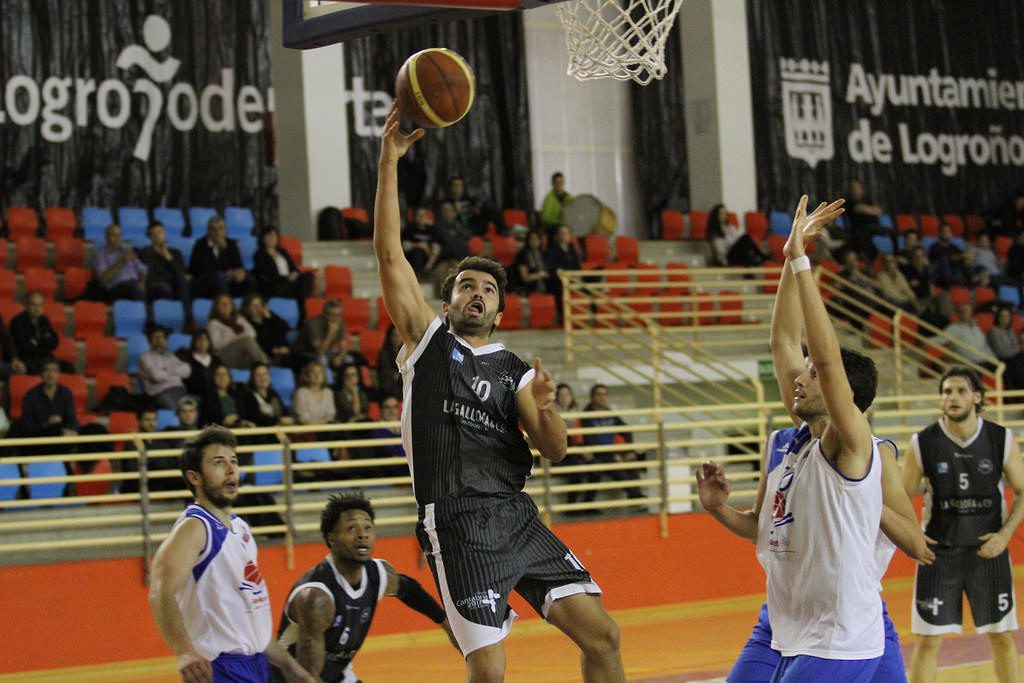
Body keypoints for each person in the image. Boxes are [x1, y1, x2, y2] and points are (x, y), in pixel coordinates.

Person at [373, 103, 624, 682]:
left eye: (488, 288)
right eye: (466, 286)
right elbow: (389, 253)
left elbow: (556, 450)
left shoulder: (517, 370)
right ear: (447, 303)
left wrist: (546, 410)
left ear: (501, 310)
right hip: (457, 521)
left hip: (515, 514)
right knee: (489, 672)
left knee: (604, 636)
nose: (477, 293)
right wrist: (389, 161)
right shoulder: (427, 342)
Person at [697, 196, 927, 680]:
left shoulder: (862, 449)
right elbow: (783, 342)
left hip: (846, 620)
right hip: (786, 617)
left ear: (846, 396)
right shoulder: (789, 443)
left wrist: (803, 261)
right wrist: (788, 257)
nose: (799, 378)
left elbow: (915, 543)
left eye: (815, 377)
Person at [148, 425, 314, 683]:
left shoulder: (240, 528)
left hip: (258, 664)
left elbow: (250, 623)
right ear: (195, 477)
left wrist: (290, 667)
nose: (230, 469)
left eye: (233, 461)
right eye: (218, 463)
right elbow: (160, 591)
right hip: (220, 669)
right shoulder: (195, 527)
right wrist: (185, 652)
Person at [901, 366, 1024, 683]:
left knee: (1002, 637)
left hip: (989, 554)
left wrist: (1005, 535)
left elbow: (1023, 491)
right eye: (946, 391)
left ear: (977, 397)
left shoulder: (1001, 438)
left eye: (960, 391)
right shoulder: (923, 443)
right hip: (939, 556)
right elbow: (900, 497)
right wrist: (913, 535)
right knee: (928, 641)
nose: (952, 397)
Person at [272, 491, 455, 682]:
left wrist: (446, 624)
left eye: (367, 528)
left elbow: (410, 590)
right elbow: (307, 676)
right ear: (331, 539)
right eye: (351, 529)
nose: (362, 535)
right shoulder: (317, 599)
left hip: (337, 674)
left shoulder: (378, 574)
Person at [577, 384, 646, 510]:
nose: (602, 398)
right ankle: (637, 496)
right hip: (598, 455)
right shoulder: (586, 416)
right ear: (592, 397)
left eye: (604, 394)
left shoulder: (610, 414)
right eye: (598, 394)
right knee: (616, 468)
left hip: (611, 453)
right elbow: (588, 441)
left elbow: (626, 430)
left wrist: (629, 450)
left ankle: (635, 499)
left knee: (633, 461)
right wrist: (614, 455)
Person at [251, 227, 313, 313]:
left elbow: (294, 268)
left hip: (290, 282)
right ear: (263, 238)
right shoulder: (259, 255)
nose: (272, 238)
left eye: (274, 236)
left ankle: (303, 304)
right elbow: (267, 275)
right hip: (276, 284)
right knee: (300, 289)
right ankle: (303, 309)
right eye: (269, 235)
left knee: (308, 276)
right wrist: (286, 278)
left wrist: (295, 274)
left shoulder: (282, 252)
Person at [189, 215, 253, 298]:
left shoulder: (231, 244)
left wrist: (240, 272)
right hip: (206, 283)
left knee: (248, 278)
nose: (217, 233)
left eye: (221, 228)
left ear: (226, 230)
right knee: (219, 277)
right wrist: (227, 273)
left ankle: (247, 307)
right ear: (209, 231)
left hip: (227, 280)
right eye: (213, 229)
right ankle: (224, 306)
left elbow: (238, 265)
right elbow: (202, 269)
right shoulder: (200, 245)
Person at [140, 221, 192, 322]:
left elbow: (181, 273)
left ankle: (188, 319)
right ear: (150, 237)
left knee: (181, 280)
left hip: (174, 285)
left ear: (164, 233)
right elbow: (149, 275)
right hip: (156, 285)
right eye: (153, 234)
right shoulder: (146, 253)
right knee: (163, 287)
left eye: (159, 232)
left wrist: (168, 257)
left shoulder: (175, 253)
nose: (157, 236)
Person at [208, 294, 269, 370]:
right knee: (246, 341)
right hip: (224, 357)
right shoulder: (214, 323)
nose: (226, 306)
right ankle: (266, 366)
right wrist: (233, 339)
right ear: (216, 307)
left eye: (228, 303)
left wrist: (239, 338)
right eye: (222, 304)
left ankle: (263, 367)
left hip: (241, 356)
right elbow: (215, 344)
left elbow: (252, 333)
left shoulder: (239, 319)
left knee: (253, 356)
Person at [138, 324, 192, 411]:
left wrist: (166, 370)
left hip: (180, 390)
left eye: (162, 337)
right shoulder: (145, 358)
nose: (159, 340)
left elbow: (187, 371)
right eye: (156, 337)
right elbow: (157, 377)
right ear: (150, 341)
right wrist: (175, 372)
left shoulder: (171, 356)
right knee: (179, 411)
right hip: (160, 393)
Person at [9, 291, 60, 374]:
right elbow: (26, 347)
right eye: (33, 305)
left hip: (45, 359)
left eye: (40, 305)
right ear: (26, 305)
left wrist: (37, 342)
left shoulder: (44, 319)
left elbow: (55, 342)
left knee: (68, 367)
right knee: (43, 370)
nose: (37, 309)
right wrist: (44, 343)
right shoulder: (17, 321)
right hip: (27, 360)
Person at [94, 223, 147, 301]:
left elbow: (143, 270)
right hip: (116, 288)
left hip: (135, 284)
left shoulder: (127, 250)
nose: (118, 238)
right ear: (106, 237)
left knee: (160, 289)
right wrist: (122, 261)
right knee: (135, 289)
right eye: (114, 235)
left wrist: (142, 282)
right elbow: (103, 280)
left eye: (119, 235)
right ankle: (142, 311)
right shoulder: (101, 255)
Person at [292, 299, 346, 373]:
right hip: (306, 353)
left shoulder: (339, 321)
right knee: (323, 360)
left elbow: (343, 344)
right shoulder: (314, 324)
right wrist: (330, 333)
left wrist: (340, 356)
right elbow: (320, 352)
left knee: (349, 359)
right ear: (324, 314)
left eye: (338, 315)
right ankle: (326, 383)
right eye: (332, 315)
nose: (335, 318)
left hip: (327, 351)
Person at [940, 303, 997, 370]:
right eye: (961, 311)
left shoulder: (976, 327)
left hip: (987, 362)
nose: (964, 313)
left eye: (966, 310)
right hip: (972, 365)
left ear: (971, 312)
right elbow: (938, 340)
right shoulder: (953, 329)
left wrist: (995, 360)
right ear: (958, 314)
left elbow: (985, 346)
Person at [238, 362, 294, 429]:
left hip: (279, 430)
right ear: (252, 378)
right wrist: (279, 420)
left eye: (265, 374)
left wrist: (289, 419)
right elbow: (256, 419)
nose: (263, 378)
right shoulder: (248, 396)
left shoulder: (273, 393)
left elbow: (285, 413)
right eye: (258, 375)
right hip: (261, 434)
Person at [242, 293, 292, 367]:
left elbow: (286, 328)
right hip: (266, 356)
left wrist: (270, 318)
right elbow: (255, 345)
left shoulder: (270, 316)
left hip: (284, 351)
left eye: (259, 304)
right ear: (247, 309)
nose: (258, 308)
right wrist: (274, 350)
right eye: (254, 305)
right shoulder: (246, 323)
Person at [202, 362, 253, 429]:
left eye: (224, 374)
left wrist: (242, 421)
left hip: (239, 430)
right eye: (218, 374)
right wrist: (223, 421)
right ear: (213, 377)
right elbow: (206, 422)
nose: (222, 377)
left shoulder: (237, 395)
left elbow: (244, 415)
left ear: (229, 377)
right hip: (219, 432)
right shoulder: (208, 398)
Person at [292, 361, 338, 428]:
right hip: (306, 430)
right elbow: (303, 419)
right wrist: (318, 425)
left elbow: (330, 416)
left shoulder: (328, 392)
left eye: (320, 372)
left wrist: (320, 426)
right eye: (313, 372)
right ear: (307, 375)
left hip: (325, 429)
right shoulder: (301, 392)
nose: (317, 375)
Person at [987, 307, 1024, 389]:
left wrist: (1018, 349)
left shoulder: (1010, 330)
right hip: (1003, 360)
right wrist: (1019, 349)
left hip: (1015, 357)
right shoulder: (994, 332)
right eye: (1003, 316)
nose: (1005, 318)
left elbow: (1016, 345)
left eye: (1007, 316)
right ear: (998, 318)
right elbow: (1002, 352)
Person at [178, 329, 219, 400]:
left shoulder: (216, 360)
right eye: (199, 339)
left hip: (216, 395)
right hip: (195, 396)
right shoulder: (187, 360)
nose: (202, 343)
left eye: (205, 339)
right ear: (194, 342)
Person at [402, 206, 441, 277]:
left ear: (427, 217)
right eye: (418, 215)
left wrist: (430, 263)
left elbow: (436, 248)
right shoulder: (410, 228)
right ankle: (417, 275)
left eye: (423, 215)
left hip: (429, 256)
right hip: (413, 256)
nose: (420, 218)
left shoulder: (432, 230)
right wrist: (420, 245)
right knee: (418, 252)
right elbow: (405, 246)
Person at [375, 324, 404, 400]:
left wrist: (399, 376)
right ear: (390, 337)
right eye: (394, 335)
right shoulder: (384, 354)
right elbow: (386, 372)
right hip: (389, 388)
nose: (397, 338)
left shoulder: (407, 353)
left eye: (399, 335)